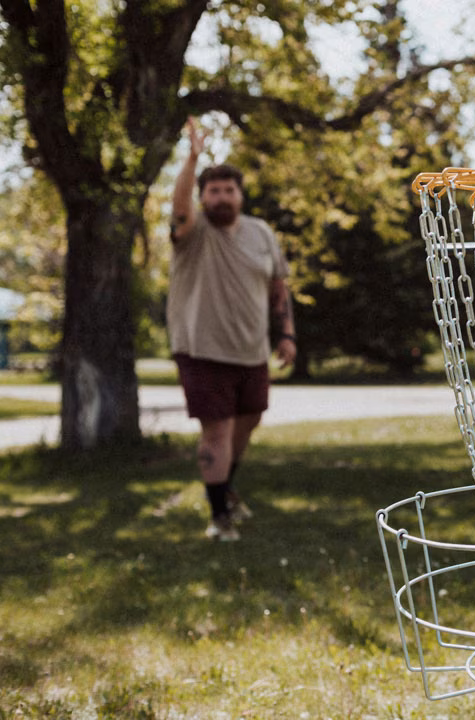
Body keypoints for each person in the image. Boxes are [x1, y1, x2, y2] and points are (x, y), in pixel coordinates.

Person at [168, 118, 296, 541]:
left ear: (240, 195)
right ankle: (219, 517)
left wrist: (287, 334)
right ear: (203, 196)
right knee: (217, 429)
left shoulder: (261, 233)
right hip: (202, 349)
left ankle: (225, 488)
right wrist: (191, 160)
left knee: (249, 421)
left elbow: (279, 287)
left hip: (251, 350)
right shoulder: (194, 232)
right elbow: (180, 207)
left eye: (228, 190)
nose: (221, 197)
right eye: (213, 191)